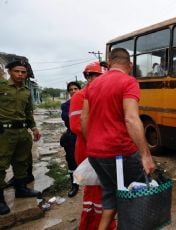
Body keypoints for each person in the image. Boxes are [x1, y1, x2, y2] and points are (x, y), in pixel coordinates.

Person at [81, 48, 155, 229]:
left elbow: (84, 118)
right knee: (136, 197)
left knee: (110, 194)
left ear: (109, 62)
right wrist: (146, 155)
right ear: (129, 65)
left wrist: (92, 144)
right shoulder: (128, 82)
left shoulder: (92, 85)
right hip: (119, 153)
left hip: (95, 153)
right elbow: (131, 118)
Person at [69, 61, 115, 230]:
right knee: (94, 191)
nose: (103, 80)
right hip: (88, 151)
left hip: (106, 149)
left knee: (106, 188)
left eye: (105, 77)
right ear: (88, 77)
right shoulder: (80, 96)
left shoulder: (107, 95)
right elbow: (76, 125)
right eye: (98, 76)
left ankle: (102, 222)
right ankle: (92, 224)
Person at [0, 60, 42, 215]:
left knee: (21, 162)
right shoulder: (2, 86)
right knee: (1, 164)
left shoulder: (26, 90)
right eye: (17, 71)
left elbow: (28, 112)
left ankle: (21, 189)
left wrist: (34, 128)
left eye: (23, 72)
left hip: (22, 132)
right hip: (4, 133)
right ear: (9, 71)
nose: (20, 74)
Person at [60, 81, 81, 198]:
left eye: (75, 89)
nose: (73, 91)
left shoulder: (87, 102)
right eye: (71, 89)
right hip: (72, 136)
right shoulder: (65, 106)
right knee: (72, 161)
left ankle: (93, 184)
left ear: (80, 90)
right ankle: (75, 185)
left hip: (86, 136)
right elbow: (68, 120)